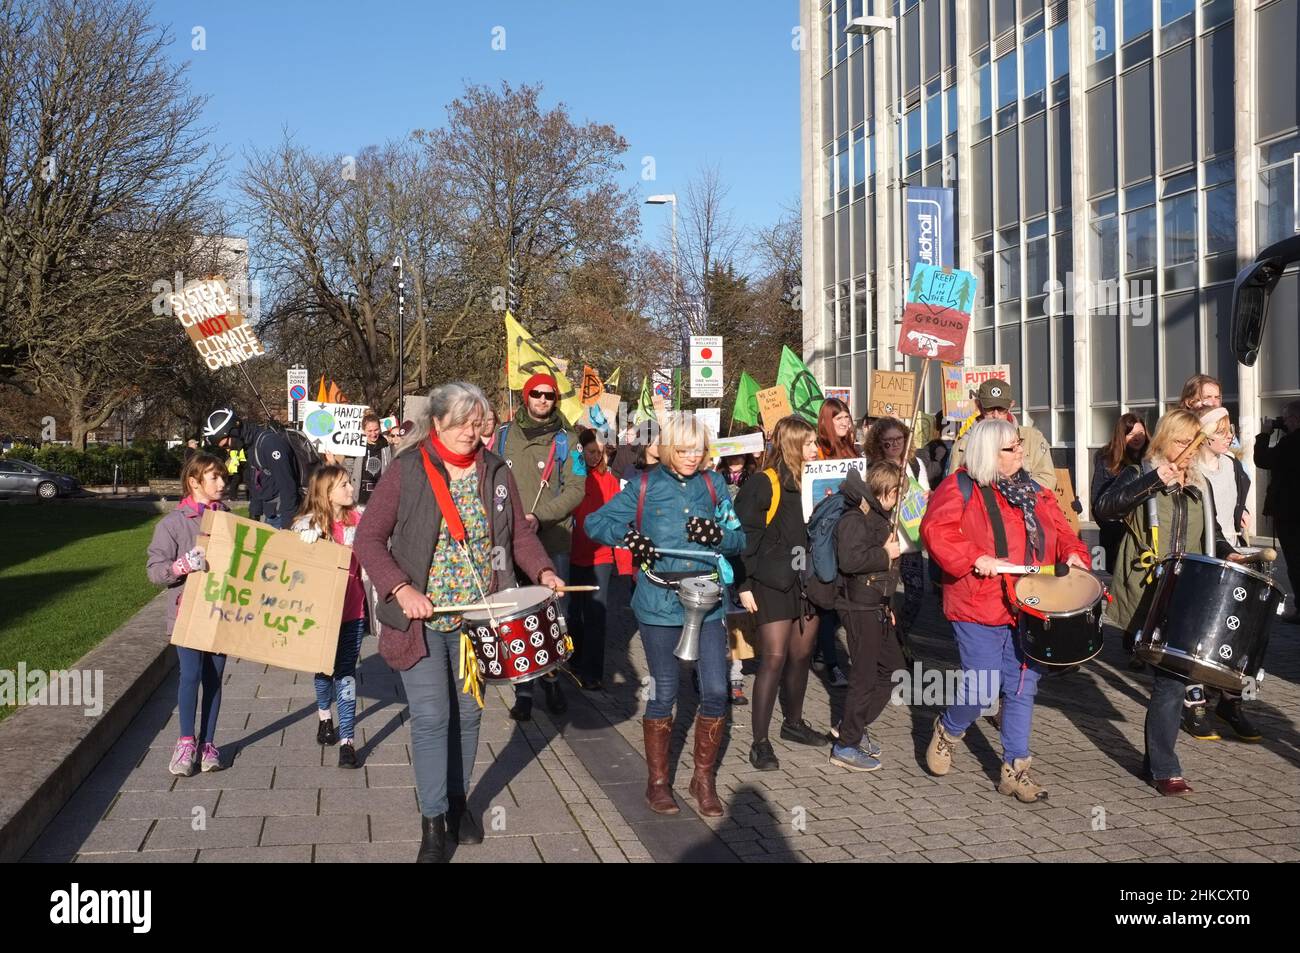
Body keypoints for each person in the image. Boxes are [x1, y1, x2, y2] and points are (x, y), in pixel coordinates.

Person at [354, 381, 563, 862]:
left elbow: (517, 540)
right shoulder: (407, 470)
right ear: (439, 423)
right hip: (421, 623)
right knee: (432, 717)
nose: (475, 432)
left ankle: (457, 803)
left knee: (468, 715)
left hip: (477, 621)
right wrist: (401, 588)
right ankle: (431, 823)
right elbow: (368, 540)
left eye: (480, 423)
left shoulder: (495, 471)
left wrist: (544, 570)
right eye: (465, 423)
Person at [585, 412, 745, 817]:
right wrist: (630, 538)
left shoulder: (714, 484)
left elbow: (740, 538)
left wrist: (719, 536)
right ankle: (657, 783)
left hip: (707, 602)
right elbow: (594, 522)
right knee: (665, 692)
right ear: (670, 447)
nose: (692, 457)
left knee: (715, 690)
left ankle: (702, 779)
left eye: (698, 450)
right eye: (685, 449)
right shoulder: (642, 486)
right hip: (658, 602)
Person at [921, 419, 1090, 802]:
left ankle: (1016, 769)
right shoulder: (961, 486)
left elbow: (1064, 533)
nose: (1021, 453)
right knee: (981, 686)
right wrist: (973, 556)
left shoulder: (1035, 491)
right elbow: (936, 530)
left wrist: (1077, 557)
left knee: (1020, 685)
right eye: (1010, 449)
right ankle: (949, 729)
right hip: (978, 601)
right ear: (988, 453)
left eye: (1019, 446)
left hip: (1030, 605)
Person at [1094, 409, 1234, 795]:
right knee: (1169, 682)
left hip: (1187, 594)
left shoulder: (1199, 484)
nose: (1187, 451)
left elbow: (1214, 535)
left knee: (1171, 681)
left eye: (1195, 444)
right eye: (1180, 443)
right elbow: (1105, 509)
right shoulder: (1141, 473)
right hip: (1147, 592)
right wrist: (1154, 481)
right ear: (1164, 441)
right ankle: (1164, 768)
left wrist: (1231, 554)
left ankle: (1156, 762)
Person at [735, 416, 826, 771]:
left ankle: (793, 723)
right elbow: (743, 536)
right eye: (808, 444)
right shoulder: (765, 483)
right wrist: (743, 585)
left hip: (808, 582)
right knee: (772, 658)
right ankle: (760, 742)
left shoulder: (816, 483)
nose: (815, 450)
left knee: (801, 654)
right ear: (791, 445)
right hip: (771, 583)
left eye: (815, 443)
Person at [494, 373, 585, 720]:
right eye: (537, 394)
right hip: (509, 540)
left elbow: (576, 489)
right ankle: (524, 690)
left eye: (549, 395)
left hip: (551, 540)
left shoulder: (569, 442)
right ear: (525, 396)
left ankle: (553, 680)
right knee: (515, 616)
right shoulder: (503, 437)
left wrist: (539, 517)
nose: (543, 400)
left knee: (552, 618)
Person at [145, 452, 229, 776]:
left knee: (214, 678)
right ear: (194, 482)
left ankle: (208, 744)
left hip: (222, 613)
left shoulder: (226, 518)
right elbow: (155, 571)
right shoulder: (172, 523)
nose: (222, 483)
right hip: (188, 615)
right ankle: (185, 742)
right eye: (214, 477)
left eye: (223, 476)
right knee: (191, 675)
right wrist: (180, 566)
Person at [1190, 407, 1261, 741]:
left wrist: (1242, 515)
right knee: (1200, 636)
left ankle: (1236, 704)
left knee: (1246, 639)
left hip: (1237, 553)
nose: (1229, 435)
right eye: (1221, 431)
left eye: (1229, 429)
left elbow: (1235, 505)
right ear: (1204, 435)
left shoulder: (1233, 466)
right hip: (1205, 558)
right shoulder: (1191, 468)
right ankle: (1196, 704)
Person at [292, 466, 368, 766]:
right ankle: (325, 714)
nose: (351, 488)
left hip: (353, 610)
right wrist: (302, 544)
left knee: (346, 672)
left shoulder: (359, 519)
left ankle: (348, 739)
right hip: (321, 614)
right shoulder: (306, 525)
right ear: (326, 493)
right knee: (324, 669)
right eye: (343, 485)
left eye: (350, 482)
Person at [828, 462, 902, 772]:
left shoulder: (876, 515)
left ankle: (850, 726)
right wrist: (886, 553)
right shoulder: (855, 517)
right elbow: (851, 560)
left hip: (877, 605)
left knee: (894, 669)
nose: (898, 500)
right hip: (858, 606)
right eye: (897, 493)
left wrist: (889, 604)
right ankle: (846, 744)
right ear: (886, 491)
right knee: (864, 676)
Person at [567, 428, 633, 690]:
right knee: (574, 614)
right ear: (580, 452)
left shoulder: (610, 482)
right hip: (572, 554)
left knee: (596, 613)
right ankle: (575, 659)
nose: (595, 457)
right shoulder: (573, 479)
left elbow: (619, 523)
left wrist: (624, 566)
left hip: (601, 557)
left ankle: (592, 672)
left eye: (599, 452)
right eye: (590, 452)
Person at [864, 417, 930, 643]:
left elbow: (925, 493)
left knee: (915, 597)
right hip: (886, 542)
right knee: (886, 597)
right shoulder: (874, 468)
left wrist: (926, 497)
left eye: (898, 439)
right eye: (887, 442)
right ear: (878, 443)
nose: (893, 445)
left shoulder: (915, 464)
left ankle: (900, 636)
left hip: (911, 542)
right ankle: (890, 644)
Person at [811, 399, 858, 688]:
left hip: (849, 532)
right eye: (838, 417)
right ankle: (831, 662)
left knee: (843, 597)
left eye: (846, 416)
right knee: (828, 599)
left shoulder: (852, 450)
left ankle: (821, 649)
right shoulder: (817, 451)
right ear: (826, 420)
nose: (844, 421)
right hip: (825, 533)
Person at [947, 379, 1057, 493]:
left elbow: (1047, 480)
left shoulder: (1033, 439)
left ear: (1010, 406)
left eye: (1001, 409)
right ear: (979, 407)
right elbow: (952, 490)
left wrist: (1014, 494)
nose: (996, 415)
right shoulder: (963, 446)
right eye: (989, 409)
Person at [203, 406, 300, 528]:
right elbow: (256, 484)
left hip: (283, 516)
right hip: (272, 514)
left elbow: (287, 485)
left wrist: (288, 525)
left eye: (226, 445)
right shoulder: (250, 446)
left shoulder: (270, 444)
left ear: (234, 431)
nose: (228, 449)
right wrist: (254, 514)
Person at [1254, 399, 1300, 623]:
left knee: (1295, 561)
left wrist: (1264, 434)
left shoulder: (1289, 443)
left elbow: (1262, 459)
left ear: (1293, 419)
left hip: (1290, 514)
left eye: (1286, 418)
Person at [1091, 412, 1148, 575]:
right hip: (1116, 536)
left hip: (1144, 536)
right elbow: (1097, 502)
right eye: (1130, 434)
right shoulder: (1106, 458)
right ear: (1121, 436)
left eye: (1141, 433)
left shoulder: (1151, 458)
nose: (1137, 438)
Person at [349, 411, 393, 506]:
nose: (373, 434)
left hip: (380, 498)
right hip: (359, 498)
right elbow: (347, 471)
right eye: (369, 431)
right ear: (363, 430)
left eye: (376, 430)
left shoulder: (387, 446)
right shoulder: (356, 446)